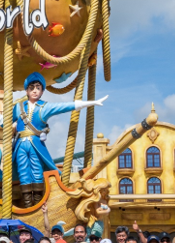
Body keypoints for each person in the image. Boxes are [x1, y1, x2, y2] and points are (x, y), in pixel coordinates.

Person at [11, 72, 107, 207]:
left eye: (38, 88)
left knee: (37, 171)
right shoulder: (18, 107)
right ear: (26, 90)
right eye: (32, 87)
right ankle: (27, 204)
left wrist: (91, 102)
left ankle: (37, 204)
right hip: (21, 144)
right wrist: (4, 121)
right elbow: (6, 125)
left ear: (42, 91)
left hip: (35, 144)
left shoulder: (45, 107)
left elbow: (66, 106)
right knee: (23, 172)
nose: (34, 91)